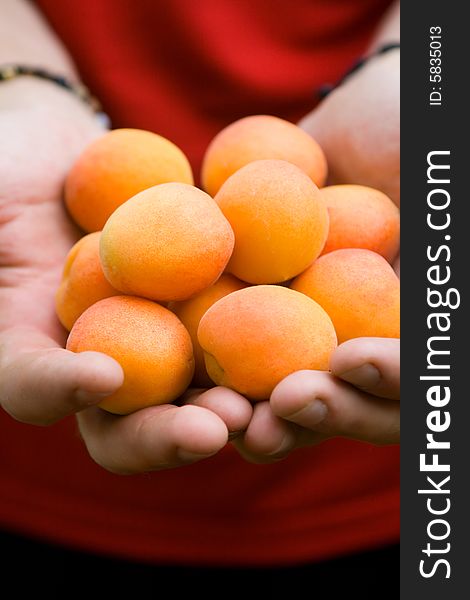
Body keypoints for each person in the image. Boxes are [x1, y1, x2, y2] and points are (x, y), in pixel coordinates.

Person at [0, 0, 400, 594]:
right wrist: (20, 79)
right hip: (44, 482)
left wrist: (422, 68)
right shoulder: (166, 243)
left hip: (372, 497)